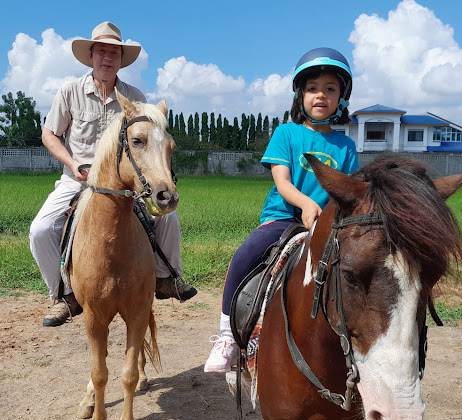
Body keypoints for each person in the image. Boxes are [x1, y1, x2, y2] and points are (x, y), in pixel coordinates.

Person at [30, 21, 196, 328]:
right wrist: (75, 164)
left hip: (124, 186)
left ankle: (165, 277)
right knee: (40, 230)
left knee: (168, 217)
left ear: (121, 60)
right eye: (102, 51)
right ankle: (65, 295)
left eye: (114, 53)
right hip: (77, 181)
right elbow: (50, 135)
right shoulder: (70, 92)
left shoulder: (134, 96)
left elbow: (147, 141)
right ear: (91, 56)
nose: (108, 58)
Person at [204, 47, 359, 373]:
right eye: (313, 88)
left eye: (330, 89)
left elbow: (348, 191)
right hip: (284, 217)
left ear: (341, 99)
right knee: (246, 253)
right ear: (300, 95)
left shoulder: (346, 146)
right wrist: (305, 204)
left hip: (328, 223)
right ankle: (227, 337)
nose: (321, 95)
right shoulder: (287, 133)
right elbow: (283, 181)